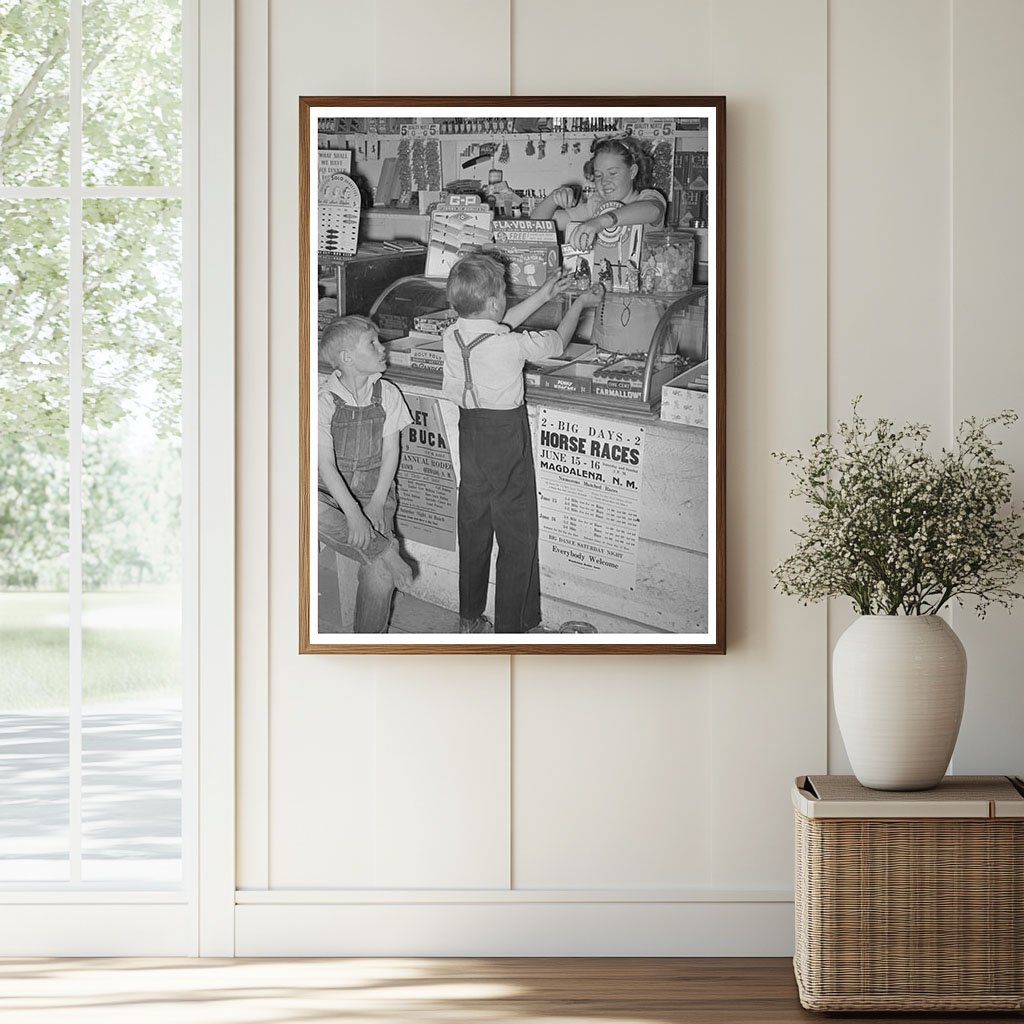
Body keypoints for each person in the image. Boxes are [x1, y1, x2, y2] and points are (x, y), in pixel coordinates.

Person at [441, 254, 604, 634]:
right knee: (517, 535)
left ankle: (470, 619)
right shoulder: (511, 345)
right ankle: (512, 628)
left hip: (471, 435)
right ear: (497, 302)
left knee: (474, 528)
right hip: (506, 438)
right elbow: (559, 343)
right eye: (503, 295)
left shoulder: (453, 335)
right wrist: (579, 303)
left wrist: (545, 294)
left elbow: (494, 326)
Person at [317, 315, 414, 633]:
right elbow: (326, 466)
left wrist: (374, 504)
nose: (381, 347)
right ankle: (385, 549)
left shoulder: (388, 394)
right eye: (371, 343)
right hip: (332, 496)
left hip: (376, 491)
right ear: (347, 358)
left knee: (382, 576)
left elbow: (391, 454)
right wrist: (354, 515)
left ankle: (366, 648)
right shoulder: (322, 402)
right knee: (302, 504)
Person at [531, 134, 666, 253]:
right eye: (598, 175)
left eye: (612, 173)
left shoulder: (648, 198)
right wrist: (553, 198)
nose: (604, 181)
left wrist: (601, 222)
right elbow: (536, 226)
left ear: (632, 172)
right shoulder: (596, 205)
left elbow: (653, 210)